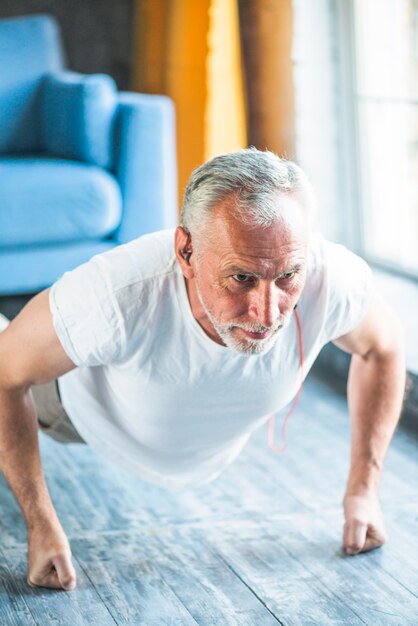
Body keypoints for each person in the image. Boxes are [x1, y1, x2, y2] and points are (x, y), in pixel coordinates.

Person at [0, 149, 405, 591]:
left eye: (287, 276)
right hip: (71, 409)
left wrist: (364, 492)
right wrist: (39, 523)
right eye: (242, 278)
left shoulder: (331, 278)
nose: (268, 314)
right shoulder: (111, 296)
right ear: (186, 252)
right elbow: (6, 375)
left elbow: (383, 348)